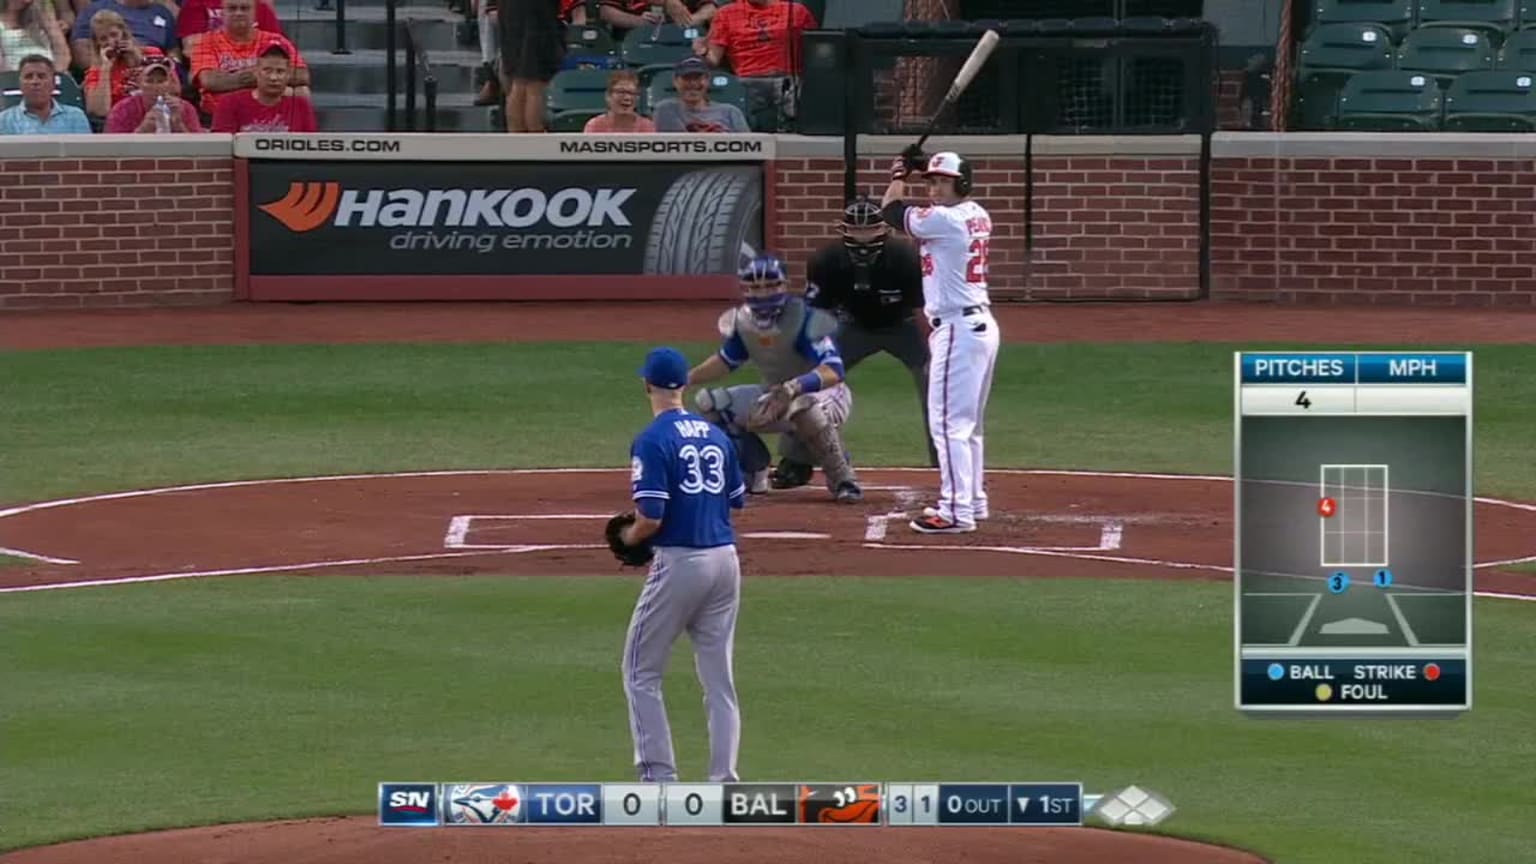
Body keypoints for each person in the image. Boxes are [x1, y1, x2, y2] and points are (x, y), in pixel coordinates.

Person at [618, 345, 746, 783]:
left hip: (681, 563)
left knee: (640, 671)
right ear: (686, 385)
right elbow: (735, 501)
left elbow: (650, 517)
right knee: (718, 680)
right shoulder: (717, 436)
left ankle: (659, 778)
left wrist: (627, 537)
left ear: (646, 385)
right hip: (726, 561)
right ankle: (724, 781)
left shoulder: (652, 440)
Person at [881, 150, 999, 533]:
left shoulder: (945, 221)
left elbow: (891, 212)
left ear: (961, 184)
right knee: (968, 426)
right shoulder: (976, 213)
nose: (934, 189)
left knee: (949, 425)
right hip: (977, 326)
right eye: (930, 181)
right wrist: (916, 170)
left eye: (942, 182)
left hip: (959, 330)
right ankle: (973, 501)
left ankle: (954, 512)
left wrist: (899, 175)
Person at [687, 253, 862, 504]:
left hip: (825, 396)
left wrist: (794, 387)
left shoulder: (805, 318)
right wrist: (687, 378)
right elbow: (726, 361)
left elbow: (834, 370)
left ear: (784, 285)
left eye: (770, 285)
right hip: (772, 393)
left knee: (802, 407)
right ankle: (754, 471)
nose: (763, 293)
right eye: (755, 287)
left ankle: (843, 479)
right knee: (710, 404)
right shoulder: (743, 321)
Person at [794, 195, 937, 484]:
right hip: (853, 326)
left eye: (868, 229)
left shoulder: (906, 258)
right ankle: (797, 461)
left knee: (935, 382)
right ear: (844, 230)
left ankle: (943, 462)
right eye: (856, 229)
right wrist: (813, 355)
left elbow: (923, 309)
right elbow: (816, 312)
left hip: (902, 326)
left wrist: (934, 349)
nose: (862, 236)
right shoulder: (826, 260)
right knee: (809, 381)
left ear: (883, 230)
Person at [191, 0, 306, 119]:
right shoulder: (206, 41)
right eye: (232, 9)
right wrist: (261, 75)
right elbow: (210, 81)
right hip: (220, 115)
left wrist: (234, 79)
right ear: (222, 13)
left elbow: (302, 75)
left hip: (272, 111)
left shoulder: (275, 39)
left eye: (244, 8)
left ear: (255, 13)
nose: (239, 13)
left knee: (302, 91)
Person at [210, 42, 315, 131]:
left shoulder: (301, 105)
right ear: (255, 72)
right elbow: (223, 147)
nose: (273, 77)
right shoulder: (229, 103)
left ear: (288, 75)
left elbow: (311, 146)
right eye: (267, 70)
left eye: (280, 71)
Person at [499, 0, 562, 132]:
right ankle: (534, 133)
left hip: (513, 13)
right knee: (533, 83)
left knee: (519, 82)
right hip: (536, 16)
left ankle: (518, 135)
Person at [105, 51, 203, 131]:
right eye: (149, 81)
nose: (155, 87)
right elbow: (112, 149)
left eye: (161, 81)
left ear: (170, 84)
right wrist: (143, 130)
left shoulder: (186, 108)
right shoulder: (122, 109)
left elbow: (199, 150)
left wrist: (178, 124)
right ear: (139, 84)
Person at [650, 56, 748, 133]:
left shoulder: (730, 112)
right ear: (675, 81)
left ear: (707, 81)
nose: (693, 83)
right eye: (687, 78)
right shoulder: (665, 110)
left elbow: (751, 149)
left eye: (698, 78)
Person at [0, 53, 90, 132]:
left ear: (53, 83)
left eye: (41, 76)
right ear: (20, 84)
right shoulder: (4, 120)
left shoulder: (75, 117)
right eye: (28, 77)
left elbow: (85, 151)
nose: (35, 82)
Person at [70, 0, 176, 66]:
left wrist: (141, 59)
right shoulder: (97, 9)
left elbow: (174, 53)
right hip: (108, 67)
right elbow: (81, 54)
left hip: (153, 69)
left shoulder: (163, 12)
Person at [81, 11, 142, 118]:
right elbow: (99, 111)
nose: (111, 42)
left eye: (114, 35)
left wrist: (138, 60)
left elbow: (171, 91)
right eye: (103, 39)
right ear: (97, 43)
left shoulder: (151, 53)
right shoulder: (95, 72)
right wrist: (105, 69)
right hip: (118, 123)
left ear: (123, 32)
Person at [175, 0, 282, 54]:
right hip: (213, 72)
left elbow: (276, 47)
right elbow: (191, 50)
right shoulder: (196, 3)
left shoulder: (260, 7)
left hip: (257, 74)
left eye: (244, 9)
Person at [0, 0, 71, 72]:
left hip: (50, 73)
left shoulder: (43, 15)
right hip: (13, 75)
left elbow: (62, 50)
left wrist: (55, 74)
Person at [582, 68, 654, 132]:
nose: (627, 98)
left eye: (632, 93)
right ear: (608, 96)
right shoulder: (595, 126)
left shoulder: (646, 127)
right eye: (621, 92)